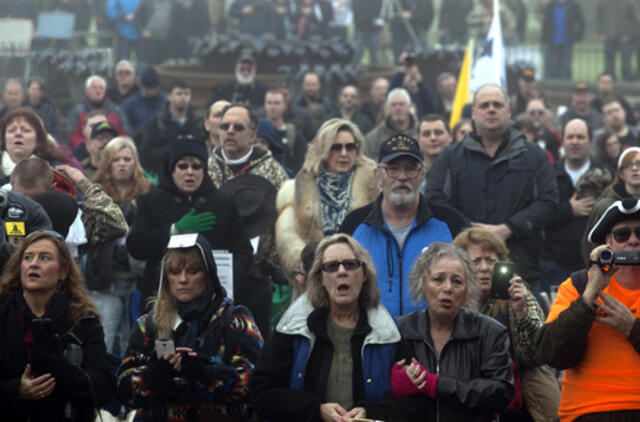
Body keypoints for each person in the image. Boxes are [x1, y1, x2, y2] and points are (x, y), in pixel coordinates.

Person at [251, 233, 401, 421]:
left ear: (364, 275)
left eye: (350, 264)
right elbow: (260, 394)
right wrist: (316, 410)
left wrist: (370, 413)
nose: (341, 272)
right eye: (331, 266)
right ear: (320, 278)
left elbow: (412, 404)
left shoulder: (387, 332)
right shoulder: (293, 328)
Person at [426, 83, 559, 293]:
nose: (491, 109)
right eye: (485, 105)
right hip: (464, 272)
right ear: (473, 113)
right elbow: (434, 199)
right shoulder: (451, 157)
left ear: (508, 112)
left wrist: (508, 228)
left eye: (497, 104)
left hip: (520, 268)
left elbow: (549, 202)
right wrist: (471, 230)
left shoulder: (534, 156)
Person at [117, 234, 263, 421]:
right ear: (165, 277)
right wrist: (154, 376)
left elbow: (256, 384)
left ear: (208, 274)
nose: (183, 279)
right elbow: (123, 390)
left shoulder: (235, 320)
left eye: (193, 271)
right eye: (175, 272)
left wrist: (207, 374)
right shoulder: (148, 325)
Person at [536, 198, 640, 421]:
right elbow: (550, 353)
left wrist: (633, 329)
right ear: (607, 243)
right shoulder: (579, 285)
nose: (633, 241)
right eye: (622, 235)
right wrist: (587, 298)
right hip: (587, 410)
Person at [388, 242, 513, 421]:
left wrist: (436, 385)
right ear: (422, 284)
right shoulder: (400, 331)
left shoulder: (491, 331)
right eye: (438, 279)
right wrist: (391, 386)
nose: (448, 288)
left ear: (467, 289)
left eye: (457, 281)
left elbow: (500, 394)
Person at [127, 137, 253, 311]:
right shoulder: (152, 200)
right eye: (183, 166)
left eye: (196, 166)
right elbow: (135, 246)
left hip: (210, 299)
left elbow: (243, 251)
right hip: (162, 299)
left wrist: (227, 280)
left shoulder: (222, 202)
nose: (190, 172)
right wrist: (174, 230)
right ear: (172, 170)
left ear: (204, 171)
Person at [0, 230, 115, 421]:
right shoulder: (4, 312)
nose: (34, 263)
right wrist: (15, 390)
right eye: (28, 257)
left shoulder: (83, 320)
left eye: (44, 258)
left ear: (63, 271)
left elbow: (102, 388)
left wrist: (60, 367)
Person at [454, 228, 560, 422]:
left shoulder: (518, 295)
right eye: (476, 261)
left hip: (518, 399)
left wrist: (521, 312)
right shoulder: (450, 300)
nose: (485, 268)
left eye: (491, 260)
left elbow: (536, 354)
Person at [340, 133, 452, 316]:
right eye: (393, 169)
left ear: (422, 175)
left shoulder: (449, 222)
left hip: (432, 340)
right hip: (371, 338)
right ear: (377, 175)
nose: (402, 177)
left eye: (410, 169)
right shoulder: (354, 224)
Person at [208, 104, 289, 336]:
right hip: (212, 277)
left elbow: (284, 222)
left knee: (254, 346)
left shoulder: (274, 172)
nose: (230, 131)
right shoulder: (203, 168)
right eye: (225, 126)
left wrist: (269, 265)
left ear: (253, 135)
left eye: (238, 127)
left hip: (255, 277)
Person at [275, 118, 378, 277]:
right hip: (315, 277)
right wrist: (308, 266)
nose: (344, 153)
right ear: (323, 149)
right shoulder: (300, 186)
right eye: (336, 147)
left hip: (363, 276)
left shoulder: (375, 184)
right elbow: (288, 237)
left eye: (350, 147)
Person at [89, 137, 151, 355]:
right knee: (105, 338)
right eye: (116, 160)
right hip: (107, 280)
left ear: (135, 162)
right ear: (107, 163)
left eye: (127, 159)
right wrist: (126, 210)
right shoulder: (95, 193)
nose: (122, 164)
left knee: (133, 340)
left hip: (139, 278)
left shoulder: (148, 194)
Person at [541, 119, 611, 294]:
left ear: (590, 141)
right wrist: (569, 210)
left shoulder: (606, 174)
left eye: (580, 137)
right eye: (570, 137)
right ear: (563, 141)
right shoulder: (548, 174)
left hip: (594, 267)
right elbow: (537, 215)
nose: (575, 142)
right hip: (554, 265)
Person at [581, 147, 640, 263]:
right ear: (621, 173)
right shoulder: (604, 206)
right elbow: (588, 245)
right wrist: (597, 271)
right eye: (628, 165)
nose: (634, 168)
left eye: (639, 164)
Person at [137, 79, 206, 177]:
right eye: (179, 93)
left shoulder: (199, 122)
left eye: (186, 94)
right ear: (169, 96)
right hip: (163, 177)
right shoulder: (156, 122)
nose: (183, 97)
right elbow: (146, 154)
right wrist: (174, 147)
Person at [0, 108, 71, 184]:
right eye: (11, 130)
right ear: (4, 140)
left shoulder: (56, 172)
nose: (18, 134)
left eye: (26, 130)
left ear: (38, 140)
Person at [67, 75, 129, 149]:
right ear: (87, 90)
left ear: (105, 91)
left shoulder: (116, 110)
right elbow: (73, 136)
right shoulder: (77, 111)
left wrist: (114, 147)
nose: (98, 91)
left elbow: (124, 134)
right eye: (94, 87)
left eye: (101, 88)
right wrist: (87, 147)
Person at [364, 88, 418, 159]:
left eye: (401, 104)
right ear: (388, 108)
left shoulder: (421, 132)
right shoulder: (373, 138)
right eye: (394, 105)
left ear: (409, 106)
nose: (398, 108)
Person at [597, 0, 639, 81]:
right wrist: (602, 32)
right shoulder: (602, 2)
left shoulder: (628, 2)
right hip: (609, 35)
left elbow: (634, 19)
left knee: (626, 60)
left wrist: (628, 34)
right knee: (609, 61)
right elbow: (599, 18)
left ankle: (628, 77)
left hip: (623, 36)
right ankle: (610, 78)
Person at [541, 0, 584, 79]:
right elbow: (546, 23)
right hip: (552, 40)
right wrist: (544, 38)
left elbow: (580, 22)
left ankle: (565, 83)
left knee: (565, 65)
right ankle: (553, 83)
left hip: (567, 40)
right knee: (553, 65)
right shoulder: (551, 6)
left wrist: (578, 36)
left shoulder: (573, 6)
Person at [120, 67, 166, 135]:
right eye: (145, 88)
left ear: (157, 88)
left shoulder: (165, 102)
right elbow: (124, 126)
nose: (145, 91)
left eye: (150, 89)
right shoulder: (129, 104)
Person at [389, 54, 437, 119]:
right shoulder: (398, 82)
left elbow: (432, 105)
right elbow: (390, 95)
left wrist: (420, 82)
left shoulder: (422, 87)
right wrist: (400, 75)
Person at [24, 77, 62, 142]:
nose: (35, 92)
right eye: (33, 89)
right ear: (28, 90)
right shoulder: (22, 108)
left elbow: (56, 132)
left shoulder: (51, 110)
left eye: (38, 89)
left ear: (42, 92)